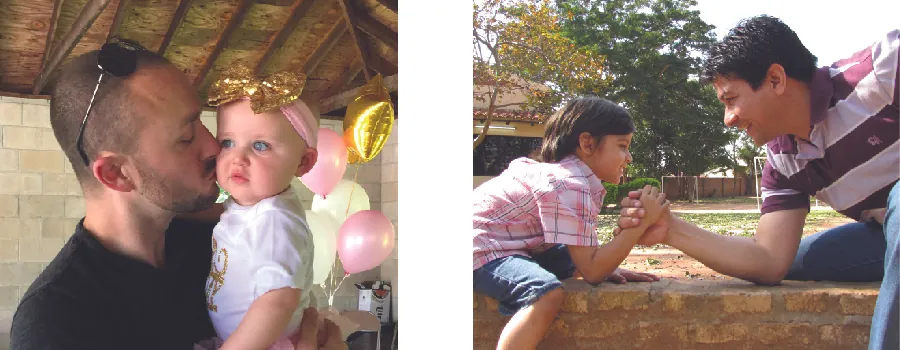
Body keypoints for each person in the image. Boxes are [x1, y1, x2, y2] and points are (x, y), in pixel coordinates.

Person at [9, 40, 344, 350]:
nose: (214, 146)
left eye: (203, 122)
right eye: (186, 137)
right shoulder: (56, 322)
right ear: (116, 173)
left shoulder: (224, 231)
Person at [615, 16, 898, 349]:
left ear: (776, 79)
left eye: (731, 100)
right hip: (882, 234)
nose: (728, 119)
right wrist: (671, 229)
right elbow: (768, 261)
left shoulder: (882, 71)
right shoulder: (782, 159)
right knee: (795, 260)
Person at [473, 96, 667, 350]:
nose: (628, 157)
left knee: (566, 257)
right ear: (587, 143)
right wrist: (641, 224)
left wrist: (606, 265)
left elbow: (585, 259)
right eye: (622, 145)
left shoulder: (566, 177)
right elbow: (593, 271)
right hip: (480, 249)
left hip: (506, 247)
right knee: (544, 293)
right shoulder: (569, 183)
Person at [203, 65, 321, 349]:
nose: (237, 158)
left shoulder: (274, 219)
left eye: (260, 145)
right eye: (227, 142)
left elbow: (278, 301)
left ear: (303, 162)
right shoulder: (244, 208)